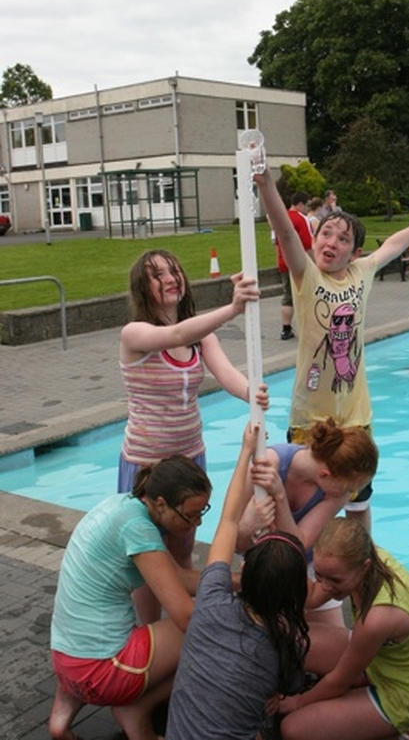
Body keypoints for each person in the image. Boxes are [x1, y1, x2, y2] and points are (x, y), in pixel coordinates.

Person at [254, 159, 409, 528]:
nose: (332, 242)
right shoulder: (306, 276)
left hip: (356, 417)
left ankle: (359, 564)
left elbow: (392, 244)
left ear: (354, 253)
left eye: (343, 239)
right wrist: (265, 185)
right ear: (315, 238)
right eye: (326, 234)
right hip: (310, 418)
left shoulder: (362, 272)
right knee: (299, 500)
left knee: (358, 503)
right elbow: (287, 234)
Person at [119, 249, 266, 620]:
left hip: (189, 459)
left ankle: (182, 624)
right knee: (147, 556)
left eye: (173, 270)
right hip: (146, 464)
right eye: (157, 275)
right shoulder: (135, 334)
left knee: (183, 548)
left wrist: (252, 391)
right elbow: (177, 333)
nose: (169, 278)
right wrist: (233, 308)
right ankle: (150, 629)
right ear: (142, 287)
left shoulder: (201, 337)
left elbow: (227, 374)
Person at [49, 456, 212, 740]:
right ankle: (136, 709)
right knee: (209, 626)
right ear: (161, 504)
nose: (196, 522)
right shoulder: (137, 529)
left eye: (203, 513)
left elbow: (180, 579)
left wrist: (240, 581)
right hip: (104, 671)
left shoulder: (120, 507)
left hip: (66, 663)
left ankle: (60, 722)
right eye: (191, 514)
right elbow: (186, 616)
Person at [166, 423, 310, 740]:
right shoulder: (285, 647)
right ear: (293, 595)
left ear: (244, 576)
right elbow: (284, 693)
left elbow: (229, 521)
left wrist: (245, 450)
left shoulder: (210, 599)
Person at [278, 517, 409, 740]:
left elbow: (339, 681)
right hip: (379, 663)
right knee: (289, 639)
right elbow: (311, 597)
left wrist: (297, 702)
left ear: (363, 568)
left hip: (406, 695)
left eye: (334, 580)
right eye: (318, 574)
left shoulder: (378, 617)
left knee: (293, 728)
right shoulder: (361, 558)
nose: (324, 586)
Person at [239, 417, 379, 626]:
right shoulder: (268, 464)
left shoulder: (336, 490)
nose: (352, 494)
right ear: (325, 475)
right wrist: (247, 527)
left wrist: (280, 497)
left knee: (331, 640)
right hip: (265, 557)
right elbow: (235, 536)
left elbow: (299, 544)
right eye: (350, 488)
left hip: (309, 563)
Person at [275, 191, 312, 340]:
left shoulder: (281, 218)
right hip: (299, 263)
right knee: (306, 295)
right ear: (300, 204)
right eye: (307, 205)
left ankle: (286, 328)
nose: (308, 209)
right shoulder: (301, 219)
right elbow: (308, 244)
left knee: (287, 296)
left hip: (283, 261)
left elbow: (276, 241)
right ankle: (308, 327)